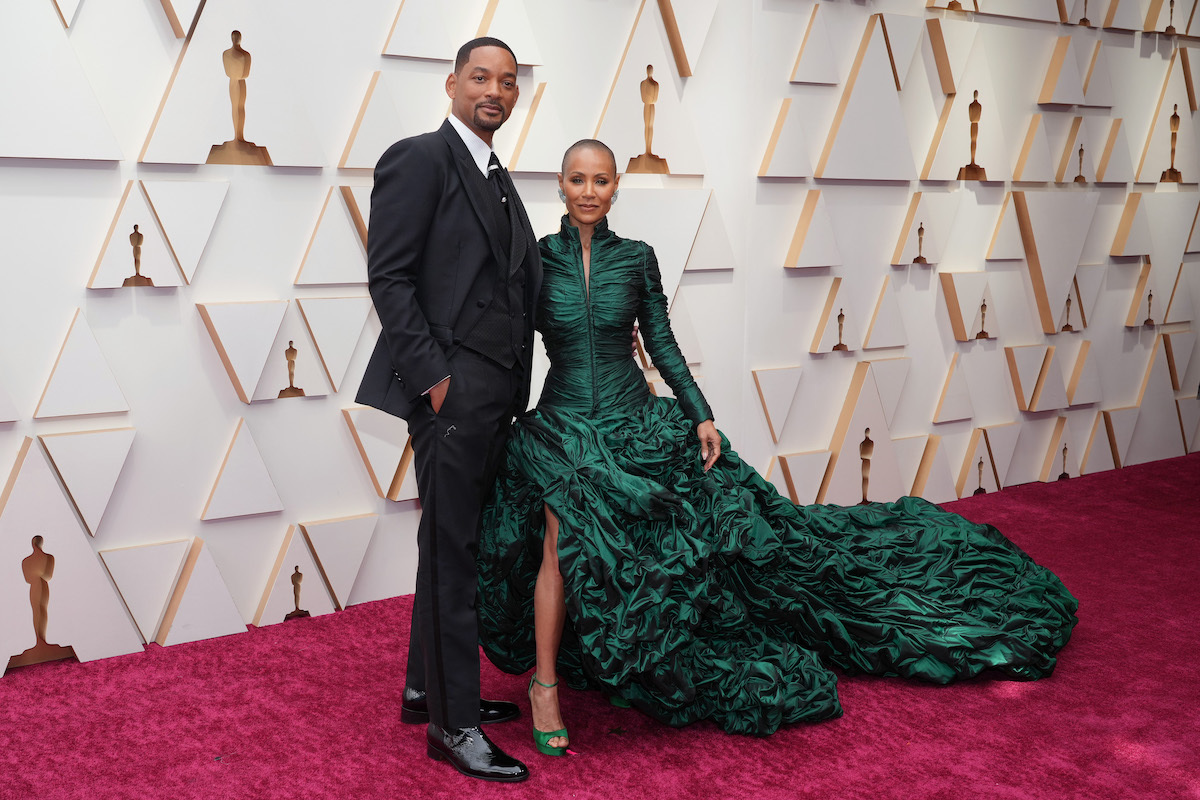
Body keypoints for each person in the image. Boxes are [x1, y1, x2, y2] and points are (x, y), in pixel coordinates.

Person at [477, 140, 1077, 750]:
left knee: (685, 543)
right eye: (577, 179)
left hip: (635, 417)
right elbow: (506, 344)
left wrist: (701, 415)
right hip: (564, 426)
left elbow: (660, 342)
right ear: (559, 184)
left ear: (614, 188)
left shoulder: (637, 258)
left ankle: (645, 649)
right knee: (559, 538)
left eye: (600, 180)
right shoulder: (535, 259)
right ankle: (544, 686)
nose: (588, 191)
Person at [356, 37, 541, 783]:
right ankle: (453, 728)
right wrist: (435, 380)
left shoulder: (498, 176)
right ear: (451, 84)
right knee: (454, 553)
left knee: (449, 542)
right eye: (479, 77)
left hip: (496, 394)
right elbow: (388, 277)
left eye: (506, 81)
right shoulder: (420, 158)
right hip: (453, 395)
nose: (493, 90)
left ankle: (425, 689)